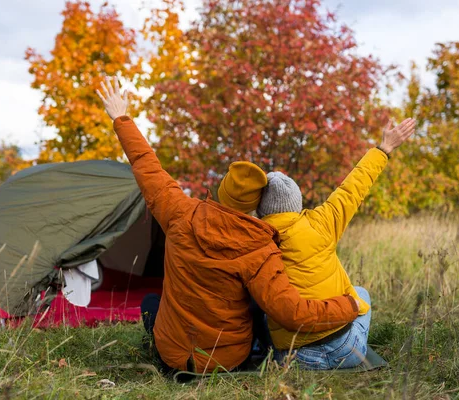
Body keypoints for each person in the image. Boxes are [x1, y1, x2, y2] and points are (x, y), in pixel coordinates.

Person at [96, 76, 360, 374]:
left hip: (174, 357)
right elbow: (292, 313)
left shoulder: (179, 211)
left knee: (151, 302)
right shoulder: (259, 247)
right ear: (253, 206)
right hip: (226, 362)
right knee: (257, 307)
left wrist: (121, 118)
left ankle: (167, 353)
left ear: (221, 188)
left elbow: (146, 165)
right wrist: (348, 306)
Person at [257, 118, 416, 369]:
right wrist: (384, 148)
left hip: (294, 359)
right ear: (296, 203)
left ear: (262, 210)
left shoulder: (256, 241)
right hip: (346, 350)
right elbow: (353, 188)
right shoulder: (321, 222)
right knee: (360, 293)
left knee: (264, 309)